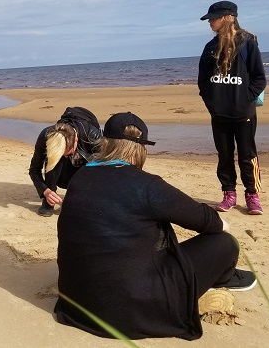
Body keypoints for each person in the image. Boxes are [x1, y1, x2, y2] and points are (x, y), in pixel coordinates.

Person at [55, 112, 256, 341]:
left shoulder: (79, 178)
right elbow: (209, 222)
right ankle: (220, 279)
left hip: (76, 302)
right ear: (140, 149)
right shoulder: (147, 185)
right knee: (225, 243)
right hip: (128, 312)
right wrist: (222, 224)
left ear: (105, 143)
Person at [198, 1, 267, 215]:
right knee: (224, 155)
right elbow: (203, 82)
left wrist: (244, 101)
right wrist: (213, 104)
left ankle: (252, 196)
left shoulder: (248, 43)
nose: (210, 21)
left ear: (227, 17)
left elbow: (259, 78)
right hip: (219, 114)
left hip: (243, 114)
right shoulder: (210, 48)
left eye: (213, 17)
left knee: (247, 155)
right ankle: (229, 194)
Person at [28, 107, 101, 217]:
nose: (66, 156)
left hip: (84, 167)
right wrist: (45, 191)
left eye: (68, 153)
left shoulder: (92, 136)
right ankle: (48, 201)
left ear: (76, 140)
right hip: (58, 177)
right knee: (53, 158)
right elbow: (34, 170)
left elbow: (106, 168)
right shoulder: (45, 135)